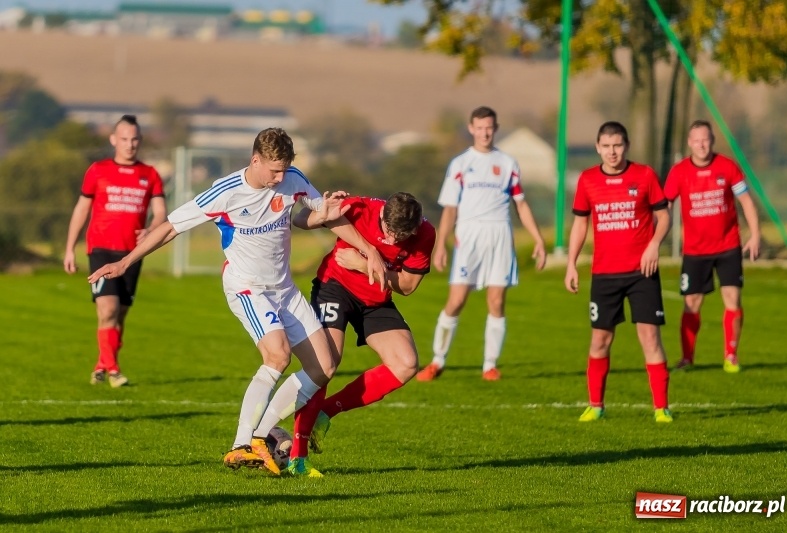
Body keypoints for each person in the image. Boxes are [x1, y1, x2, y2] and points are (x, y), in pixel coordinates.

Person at [87, 128, 386, 477]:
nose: (280, 177)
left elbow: (321, 215)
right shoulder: (225, 192)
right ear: (255, 160)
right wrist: (125, 262)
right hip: (246, 286)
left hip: (284, 289)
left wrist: (367, 248)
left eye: (284, 169)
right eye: (274, 170)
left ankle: (261, 436)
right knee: (278, 355)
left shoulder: (292, 178)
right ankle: (242, 444)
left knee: (325, 366)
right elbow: (169, 227)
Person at [270, 192, 435, 468]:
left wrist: (362, 263)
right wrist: (326, 213)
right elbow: (301, 218)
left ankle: (325, 411)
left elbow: (406, 286)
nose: (393, 241)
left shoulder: (425, 233)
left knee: (406, 364)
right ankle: (298, 458)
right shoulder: (362, 208)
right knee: (326, 364)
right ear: (382, 215)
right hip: (335, 288)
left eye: (402, 237)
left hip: (376, 299)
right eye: (390, 232)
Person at [417, 106, 547, 382]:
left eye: (489, 127)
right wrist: (440, 246)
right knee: (456, 301)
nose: (485, 132)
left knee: (497, 301)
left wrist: (538, 239)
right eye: (480, 127)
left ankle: (490, 364)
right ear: (471, 128)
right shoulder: (461, 164)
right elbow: (450, 209)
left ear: (495, 128)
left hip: (500, 236)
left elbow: (521, 205)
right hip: (469, 237)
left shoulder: (508, 163)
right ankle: (437, 360)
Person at [564, 121, 673, 423]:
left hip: (642, 272)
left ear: (626, 146)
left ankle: (662, 408)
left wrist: (653, 245)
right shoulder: (587, 180)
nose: (612, 152)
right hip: (604, 274)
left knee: (650, 338)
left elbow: (664, 218)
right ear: (598, 147)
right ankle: (596, 405)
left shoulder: (645, 175)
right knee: (600, 340)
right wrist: (572, 263)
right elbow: (580, 224)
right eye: (606, 146)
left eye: (618, 145)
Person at [64, 114, 167, 388]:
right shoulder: (97, 170)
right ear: (113, 140)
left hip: (132, 254)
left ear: (140, 141)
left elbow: (160, 214)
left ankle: (102, 364)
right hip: (100, 250)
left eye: (134, 139)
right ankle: (114, 370)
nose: (129, 144)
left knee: (118, 314)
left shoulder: (150, 175)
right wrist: (70, 248)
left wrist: (151, 229)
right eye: (124, 139)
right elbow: (81, 209)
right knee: (107, 309)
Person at [664, 120, 760, 373]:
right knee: (692, 302)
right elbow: (666, 206)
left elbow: (746, 202)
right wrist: (655, 235)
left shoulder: (727, 167)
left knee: (732, 297)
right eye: (696, 140)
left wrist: (756, 234)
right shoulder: (679, 172)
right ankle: (687, 358)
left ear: (712, 140)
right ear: (689, 143)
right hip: (695, 251)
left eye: (705, 139)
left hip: (728, 246)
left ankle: (731, 355)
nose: (701, 145)